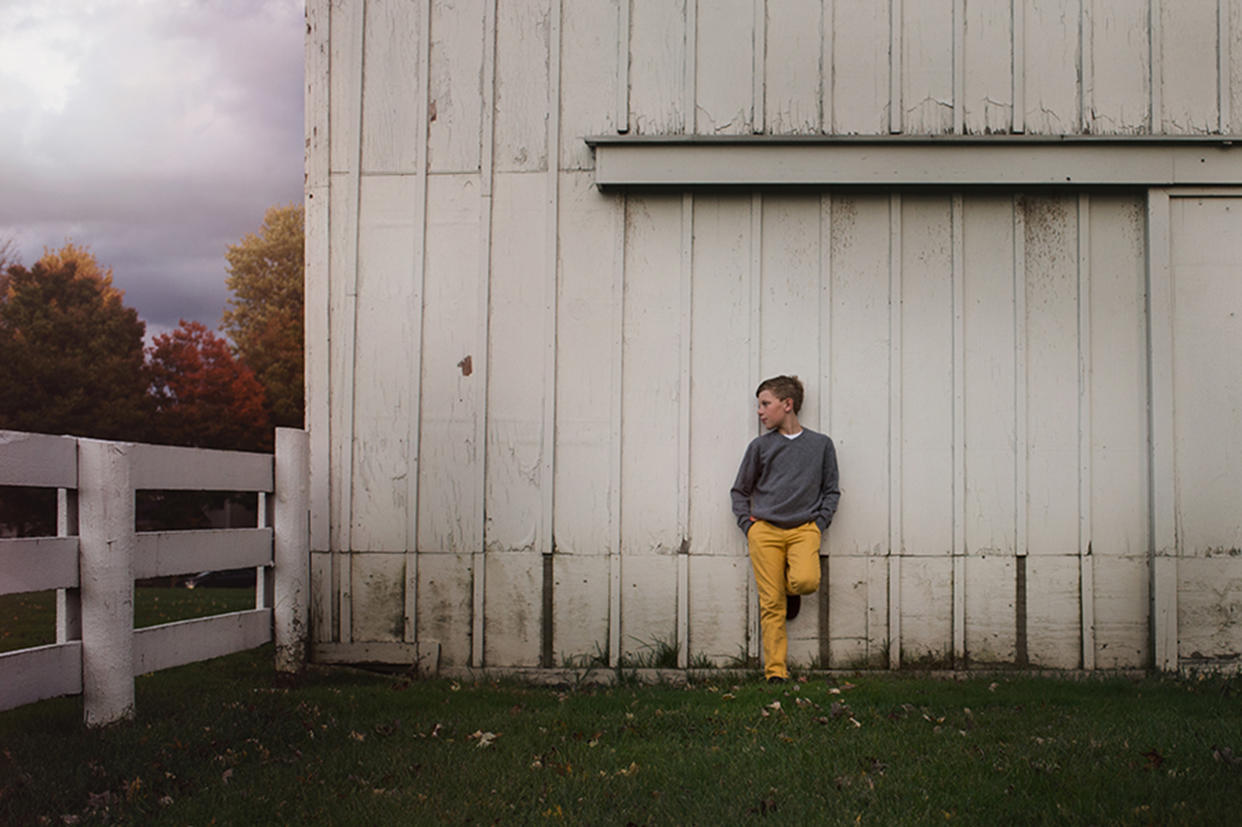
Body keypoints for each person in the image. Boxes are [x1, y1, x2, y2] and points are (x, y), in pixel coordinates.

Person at [729, 375, 840, 683]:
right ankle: (775, 672)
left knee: (805, 581)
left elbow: (831, 490)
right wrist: (747, 526)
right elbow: (740, 490)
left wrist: (819, 523)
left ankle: (792, 589)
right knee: (771, 604)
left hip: (804, 529)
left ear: (787, 404)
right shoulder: (760, 447)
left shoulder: (821, 445)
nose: (760, 412)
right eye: (759, 405)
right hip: (764, 532)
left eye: (765, 404)